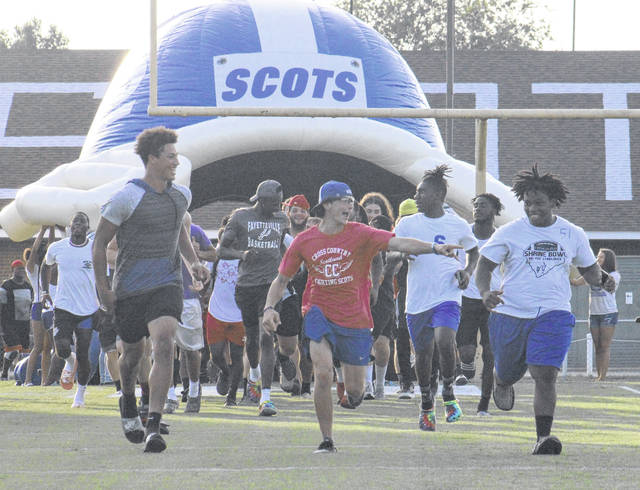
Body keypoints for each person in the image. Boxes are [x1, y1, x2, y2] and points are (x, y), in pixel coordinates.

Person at [262, 180, 461, 454]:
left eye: (351, 201)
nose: (349, 206)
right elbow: (281, 279)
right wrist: (269, 308)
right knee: (321, 374)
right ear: (327, 205)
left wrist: (434, 248)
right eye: (343, 200)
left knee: (355, 395)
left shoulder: (361, 233)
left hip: (355, 318)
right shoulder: (304, 240)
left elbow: (398, 241)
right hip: (317, 311)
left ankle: (346, 382)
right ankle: (326, 439)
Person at [476, 165, 614, 455]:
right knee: (510, 372)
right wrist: (485, 292)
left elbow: (589, 271)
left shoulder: (572, 233)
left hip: (553, 312)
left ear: (553, 202)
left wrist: (604, 280)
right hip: (509, 313)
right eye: (527, 203)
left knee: (545, 372)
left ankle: (543, 437)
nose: (532, 208)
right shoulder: (510, 232)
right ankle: (502, 379)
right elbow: (484, 266)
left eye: (538, 203)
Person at [93, 126, 209, 453]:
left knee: (163, 340)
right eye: (171, 156)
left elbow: (179, 233)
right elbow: (100, 244)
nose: (176, 162)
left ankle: (153, 424)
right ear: (152, 158)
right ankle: (128, 400)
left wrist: (192, 262)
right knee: (131, 355)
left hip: (167, 283)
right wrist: (104, 289)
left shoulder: (181, 195)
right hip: (129, 287)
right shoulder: (127, 197)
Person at [394, 165, 479, 432]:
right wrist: (401, 255)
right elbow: (393, 252)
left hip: (447, 294)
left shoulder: (457, 224)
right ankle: (427, 404)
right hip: (418, 298)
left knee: (445, 340)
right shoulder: (407, 223)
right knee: (423, 355)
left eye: (421, 192)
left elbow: (474, 251)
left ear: (438, 196)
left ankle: (449, 393)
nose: (416, 197)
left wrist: (466, 271)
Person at [217, 180, 292, 417]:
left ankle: (267, 398)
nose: (278, 207)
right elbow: (221, 250)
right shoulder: (240, 217)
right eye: (275, 203)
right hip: (246, 285)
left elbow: (284, 246)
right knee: (252, 339)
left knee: (266, 337)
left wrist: (289, 268)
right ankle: (254, 377)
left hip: (270, 286)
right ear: (262, 200)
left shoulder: (282, 220)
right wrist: (242, 254)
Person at [41, 212, 99, 408]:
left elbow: (103, 278)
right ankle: (68, 360)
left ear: (87, 228)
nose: (78, 225)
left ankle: (80, 396)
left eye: (82, 222)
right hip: (63, 307)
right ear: (69, 227)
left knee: (84, 354)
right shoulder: (57, 248)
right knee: (62, 348)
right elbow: (45, 266)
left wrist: (103, 303)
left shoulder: (94, 249)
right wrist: (44, 291)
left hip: (88, 309)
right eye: (75, 222)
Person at [456, 193, 503, 415]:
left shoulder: (502, 237)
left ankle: (484, 403)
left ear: (494, 210)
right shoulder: (463, 233)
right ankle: (467, 366)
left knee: (490, 353)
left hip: (493, 301)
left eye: (482, 205)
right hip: (465, 299)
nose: (477, 209)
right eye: (475, 205)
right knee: (466, 352)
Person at [175, 212, 216, 414]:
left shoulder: (196, 232)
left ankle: (193, 390)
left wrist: (197, 255)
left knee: (191, 349)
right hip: (163, 295)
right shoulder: (159, 232)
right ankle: (166, 395)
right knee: (161, 347)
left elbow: (213, 254)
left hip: (188, 296)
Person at [205, 220, 245, 407]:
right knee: (216, 354)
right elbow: (205, 275)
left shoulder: (246, 258)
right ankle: (225, 372)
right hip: (216, 311)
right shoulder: (217, 256)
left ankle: (232, 396)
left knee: (237, 356)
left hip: (240, 314)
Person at [280, 194, 313, 397]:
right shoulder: (281, 235)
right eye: (295, 209)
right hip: (287, 289)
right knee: (289, 338)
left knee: (308, 342)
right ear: (288, 212)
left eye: (302, 210)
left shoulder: (312, 236)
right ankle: (294, 380)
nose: (299, 213)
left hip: (309, 290)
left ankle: (307, 384)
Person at [570, 248, 620, 381]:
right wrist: (569, 267)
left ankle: (603, 376)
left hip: (608, 313)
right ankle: (598, 375)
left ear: (608, 259)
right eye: (597, 257)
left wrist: (591, 268)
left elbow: (608, 284)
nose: (598, 260)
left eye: (601, 257)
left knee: (605, 345)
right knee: (597, 346)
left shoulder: (614, 275)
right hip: (594, 314)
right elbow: (575, 282)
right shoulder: (592, 274)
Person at [23, 226, 56, 386]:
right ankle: (27, 380)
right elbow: (35, 250)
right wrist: (42, 231)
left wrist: (52, 228)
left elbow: (50, 247)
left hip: (49, 306)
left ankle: (45, 381)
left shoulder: (46, 268)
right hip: (37, 306)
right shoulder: (31, 269)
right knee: (37, 345)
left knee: (48, 346)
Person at [394, 199, 419, 399]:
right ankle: (405, 382)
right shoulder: (396, 237)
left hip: (426, 291)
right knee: (402, 336)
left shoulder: (427, 236)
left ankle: (430, 378)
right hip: (404, 291)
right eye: (406, 217)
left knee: (428, 337)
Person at [0, 260, 33, 381]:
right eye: (18, 269)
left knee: (24, 352)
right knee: (13, 350)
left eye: (22, 269)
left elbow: (31, 304)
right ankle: (4, 373)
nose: (21, 271)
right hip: (9, 323)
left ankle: (20, 375)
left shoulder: (28, 286)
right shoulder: (6, 286)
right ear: (12, 271)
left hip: (24, 323)